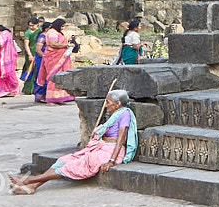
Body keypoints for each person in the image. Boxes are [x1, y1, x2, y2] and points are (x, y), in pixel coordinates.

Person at [9, 89, 138, 195]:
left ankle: (28, 181)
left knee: (75, 165)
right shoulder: (115, 114)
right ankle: (33, 186)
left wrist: (111, 161)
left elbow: (121, 138)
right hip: (101, 147)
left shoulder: (125, 113)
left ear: (117, 104)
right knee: (64, 160)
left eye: (108, 102)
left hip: (111, 151)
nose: (106, 105)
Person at [34, 18, 76, 105]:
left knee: (60, 77)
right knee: (53, 77)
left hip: (60, 57)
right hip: (53, 58)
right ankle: (51, 99)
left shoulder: (57, 33)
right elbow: (53, 44)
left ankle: (58, 97)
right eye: (62, 26)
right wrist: (67, 45)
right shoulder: (52, 32)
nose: (62, 28)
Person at [0, 24, 21, 97]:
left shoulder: (4, 34)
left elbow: (0, 43)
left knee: (7, 73)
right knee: (8, 73)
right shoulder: (8, 34)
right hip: (9, 57)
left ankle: (13, 89)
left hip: (5, 58)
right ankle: (10, 90)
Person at [21, 17, 44, 84]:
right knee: (30, 69)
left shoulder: (40, 31)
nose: (31, 27)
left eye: (32, 25)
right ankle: (29, 87)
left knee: (38, 68)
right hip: (30, 51)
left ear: (37, 24)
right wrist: (29, 55)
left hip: (39, 51)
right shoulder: (28, 32)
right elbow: (26, 44)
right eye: (30, 25)